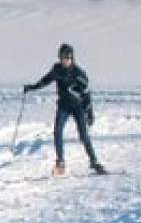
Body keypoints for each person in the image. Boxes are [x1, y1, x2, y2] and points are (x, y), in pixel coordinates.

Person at [24, 43, 106, 176]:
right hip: (63, 106)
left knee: (84, 136)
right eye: (63, 58)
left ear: (72, 58)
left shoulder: (79, 73)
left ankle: (94, 161)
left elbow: (87, 95)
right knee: (57, 132)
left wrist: (89, 113)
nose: (65, 61)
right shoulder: (57, 70)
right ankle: (60, 162)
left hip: (78, 107)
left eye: (68, 58)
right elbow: (46, 80)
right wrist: (32, 87)